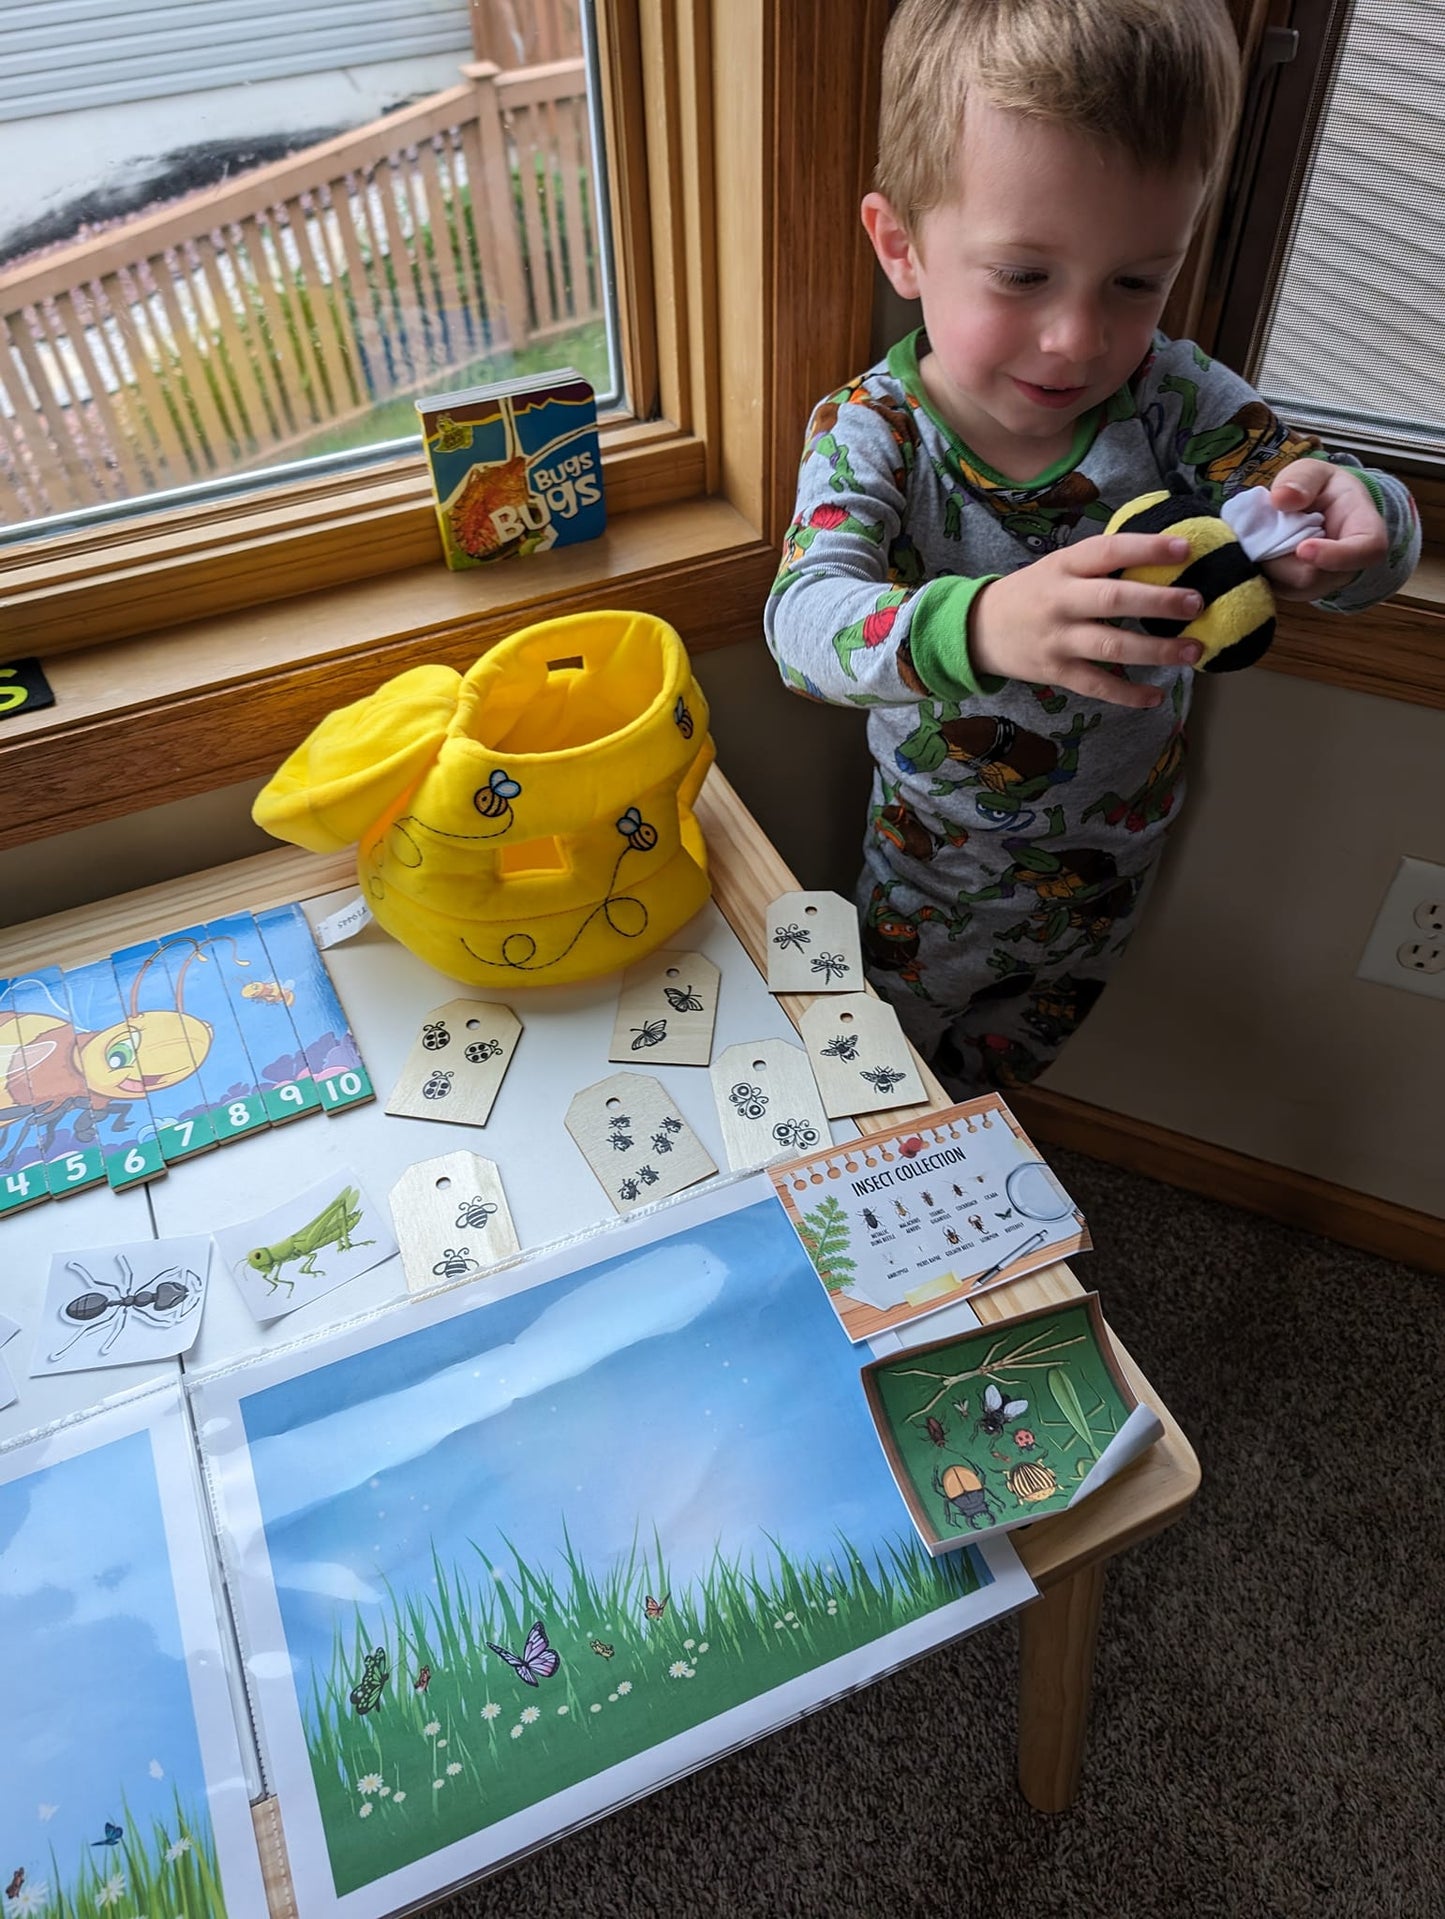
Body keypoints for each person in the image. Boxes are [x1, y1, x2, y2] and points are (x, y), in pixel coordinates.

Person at [763, 0, 1420, 1096]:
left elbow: (1322, 496)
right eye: (1021, 275)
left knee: (1017, 1061)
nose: (1078, 339)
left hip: (1114, 853)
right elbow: (800, 625)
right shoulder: (872, 431)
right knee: (890, 1073)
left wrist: (1353, 515)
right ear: (902, 247)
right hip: (935, 865)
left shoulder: (1171, 394)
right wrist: (977, 621)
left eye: (1134, 282)